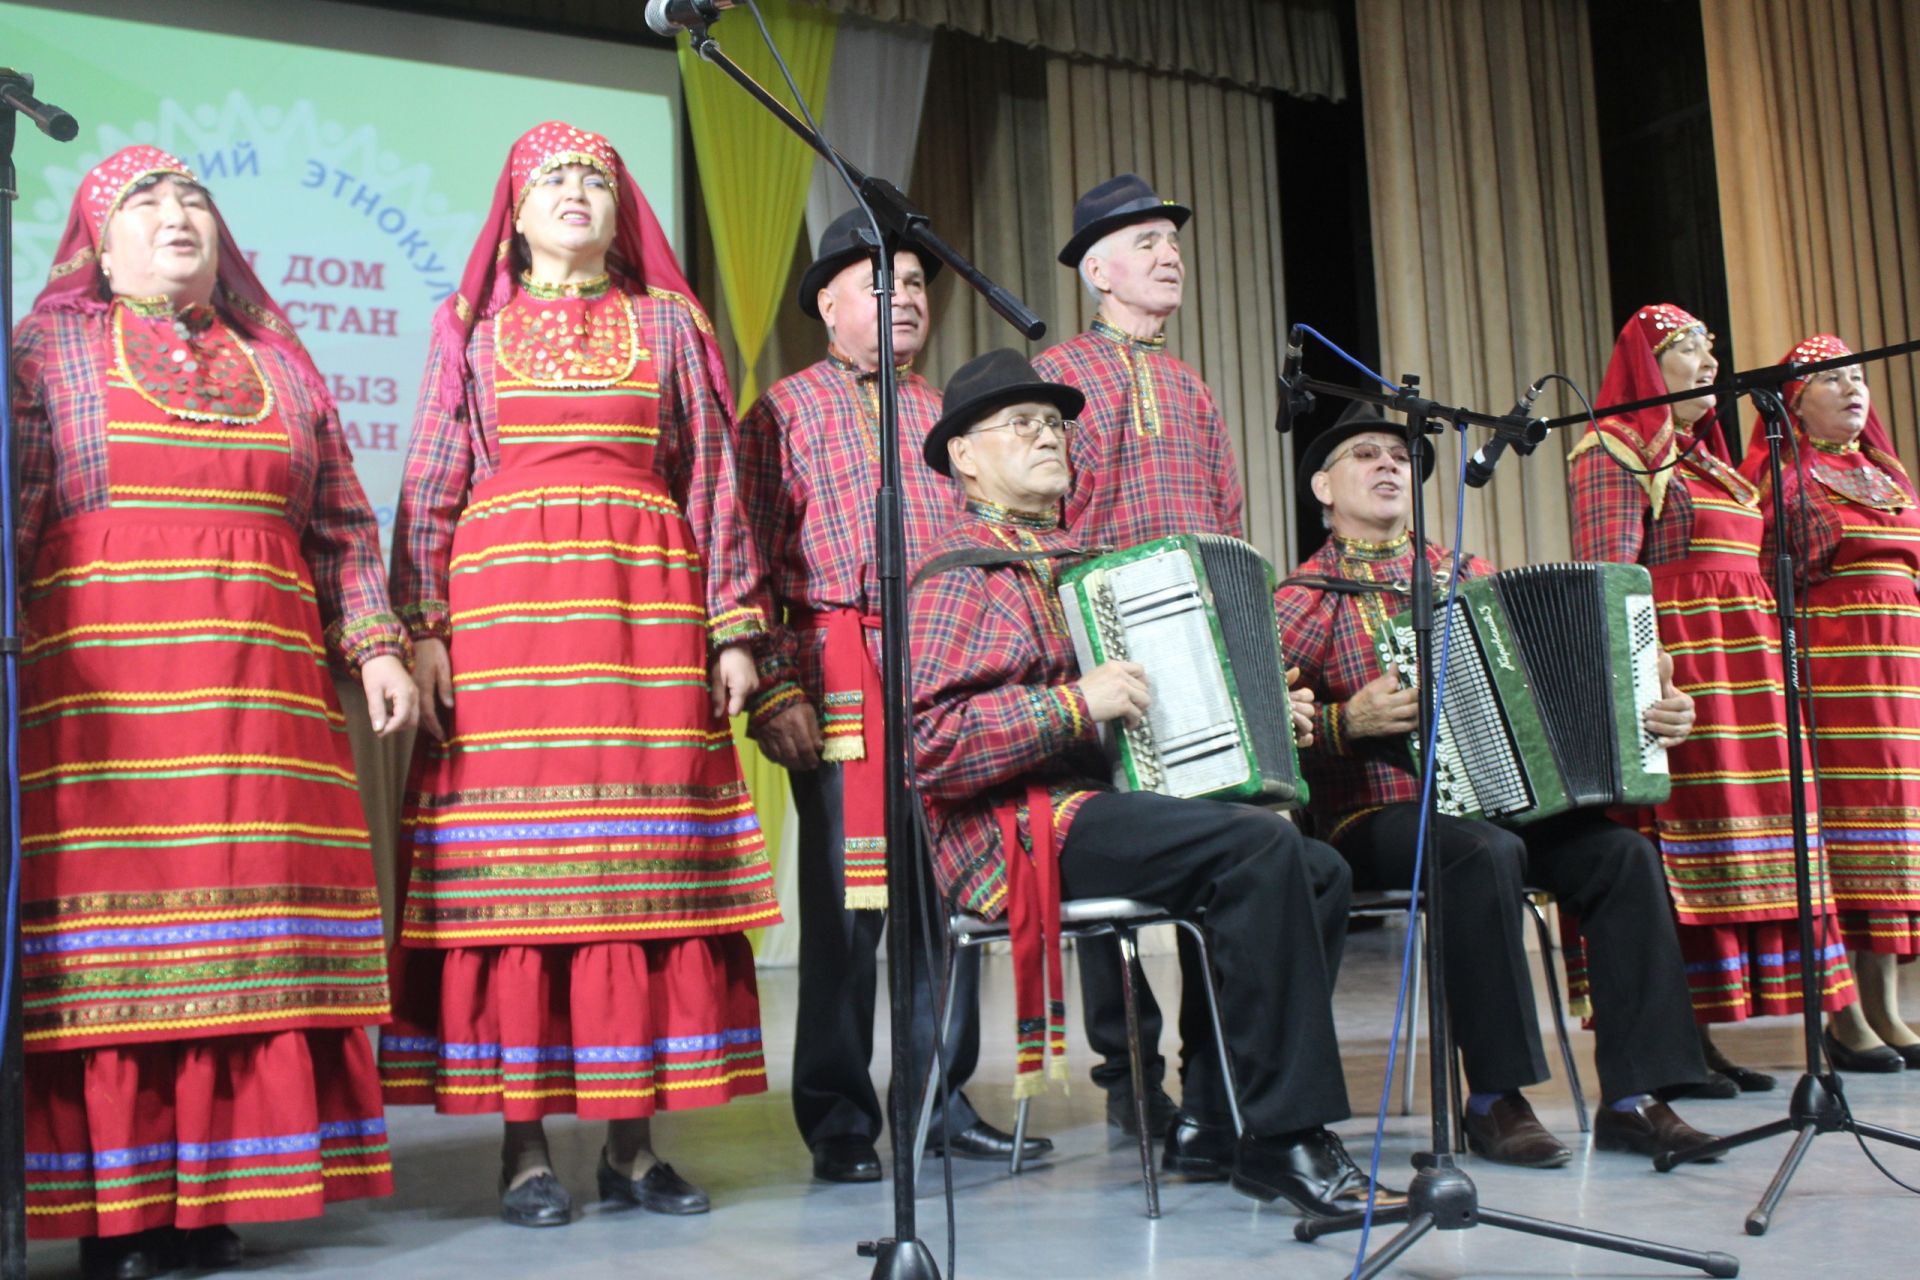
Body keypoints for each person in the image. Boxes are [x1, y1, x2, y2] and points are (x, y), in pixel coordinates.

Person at [11, 145, 416, 1280]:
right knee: (126, 941)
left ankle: (217, 1197)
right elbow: (19, 513)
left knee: (248, 930)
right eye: (147, 199)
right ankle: (120, 1208)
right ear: (96, 237)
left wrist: (375, 645)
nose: (178, 212)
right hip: (107, 695)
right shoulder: (49, 348)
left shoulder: (279, 360)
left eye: (194, 196)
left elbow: (338, 521)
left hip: (267, 684)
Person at [382, 122, 781, 1227]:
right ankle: (525, 1149)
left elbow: (709, 480)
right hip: (506, 627)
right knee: (525, 883)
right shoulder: (470, 331)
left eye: (596, 178)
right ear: (511, 211)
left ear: (621, 209)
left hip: (643, 618)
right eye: (553, 177)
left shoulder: (666, 324)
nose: (576, 191)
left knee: (635, 872)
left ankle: (635, 1146)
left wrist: (732, 628)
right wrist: (422, 625)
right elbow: (429, 480)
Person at [910, 349, 1392, 1216]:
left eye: (1054, 422)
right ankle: (1285, 1138)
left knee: (1312, 866)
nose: (1047, 435)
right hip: (1019, 826)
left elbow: (1155, 711)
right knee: (1256, 852)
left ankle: (1214, 1117)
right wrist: (1069, 707)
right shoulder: (957, 572)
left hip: (1105, 800)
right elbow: (933, 747)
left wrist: (1259, 707)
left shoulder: (1095, 565)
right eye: (1020, 424)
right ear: (964, 456)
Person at [1274, 403, 1718, 1168]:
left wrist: (1652, 710)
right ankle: (1493, 1099)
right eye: (1365, 455)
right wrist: (1350, 720)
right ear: (1321, 485)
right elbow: (1270, 733)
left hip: (1506, 804)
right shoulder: (1301, 599)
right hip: (1373, 814)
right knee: (1480, 853)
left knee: (1621, 857)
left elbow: (1568, 684)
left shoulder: (1472, 578)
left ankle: (1635, 1097)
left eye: (1399, 455)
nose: (1388, 465)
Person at [735, 208, 1047, 1182]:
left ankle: (940, 1097)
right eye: (882, 282)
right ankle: (837, 1114)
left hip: (942, 663)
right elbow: (746, 555)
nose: (905, 297)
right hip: (835, 665)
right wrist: (774, 685)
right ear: (828, 304)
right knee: (848, 903)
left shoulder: (945, 418)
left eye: (915, 284)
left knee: (949, 889)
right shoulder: (780, 410)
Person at [1568, 304, 1857, 1093]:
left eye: (1709, 347)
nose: (1707, 361)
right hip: (1683, 679)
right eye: (1685, 348)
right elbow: (1607, 576)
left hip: (1749, 679)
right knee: (1676, 856)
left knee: (1749, 845)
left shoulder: (1712, 460)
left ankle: (1705, 1034)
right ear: (1643, 364)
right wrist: (1646, 675)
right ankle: (1673, 1039)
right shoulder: (1613, 449)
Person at [1030, 173, 1243, 1148]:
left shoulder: (1194, 383)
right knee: (1111, 890)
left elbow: (1230, 520)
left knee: (1227, 856)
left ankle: (1217, 1067)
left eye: (1173, 239)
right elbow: (1047, 516)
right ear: (1097, 270)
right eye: (1147, 241)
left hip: (1200, 650)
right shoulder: (1061, 370)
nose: (1170, 255)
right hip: (1106, 646)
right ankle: (1130, 1075)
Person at [1739, 334, 1920, 1070]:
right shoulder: (1779, 481)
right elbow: (1762, 585)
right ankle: (1844, 1016)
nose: (1854, 390)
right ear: (1795, 401)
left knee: (1899, 843)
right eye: (1832, 379)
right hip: (1834, 677)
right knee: (1843, 841)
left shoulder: (1887, 469)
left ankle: (1888, 1007)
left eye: (1859, 378)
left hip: (1902, 677)